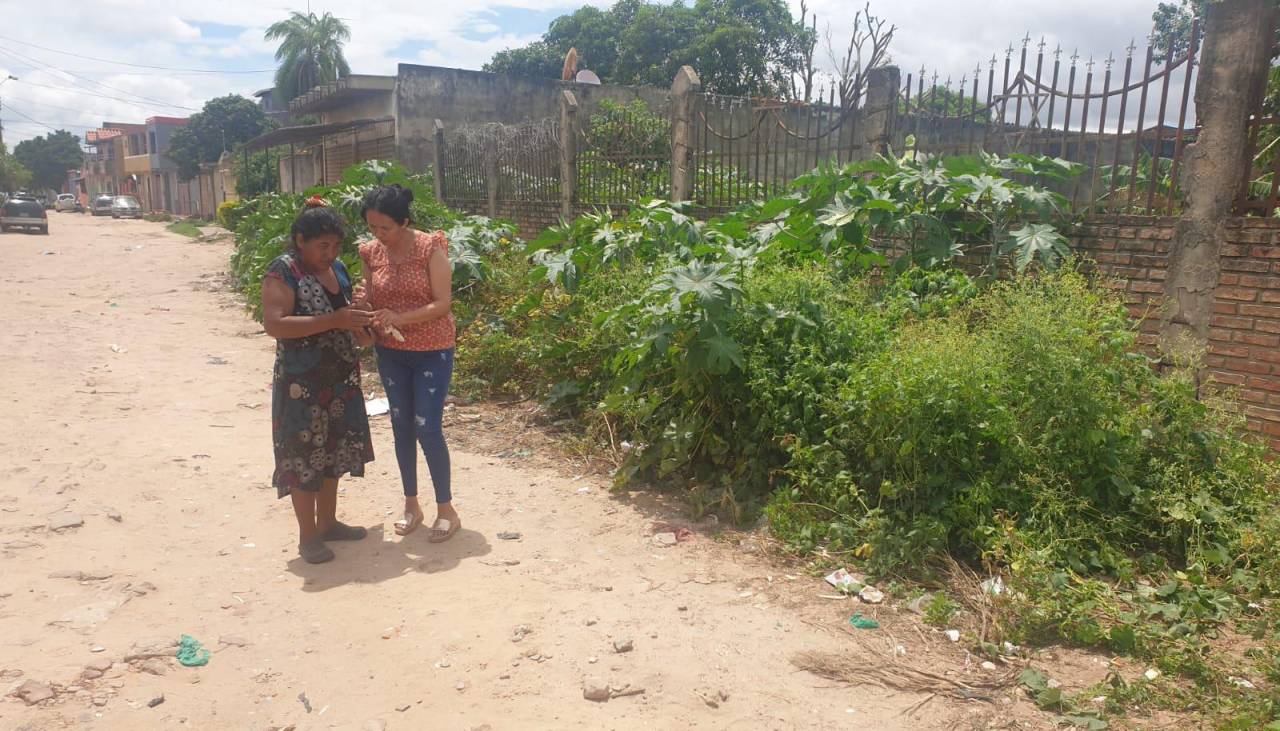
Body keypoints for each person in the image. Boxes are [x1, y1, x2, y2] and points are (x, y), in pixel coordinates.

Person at [262, 197, 376, 564]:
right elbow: (275, 324)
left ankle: (328, 523)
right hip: (301, 386)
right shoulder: (284, 272)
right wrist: (336, 321)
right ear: (300, 240)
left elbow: (344, 314)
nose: (330, 253)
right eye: (322, 245)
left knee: (332, 453)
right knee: (303, 458)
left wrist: (362, 327)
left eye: (335, 245)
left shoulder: (339, 269)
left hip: (340, 377)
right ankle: (307, 536)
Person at [356, 184, 459, 542]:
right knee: (401, 426)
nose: (378, 235)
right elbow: (370, 297)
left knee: (427, 427)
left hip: (433, 349)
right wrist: (364, 308)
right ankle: (411, 505)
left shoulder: (430, 247)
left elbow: (442, 304)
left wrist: (400, 318)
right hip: (391, 352)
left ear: (405, 221)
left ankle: (447, 509)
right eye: (372, 227)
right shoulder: (371, 253)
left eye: (385, 228)